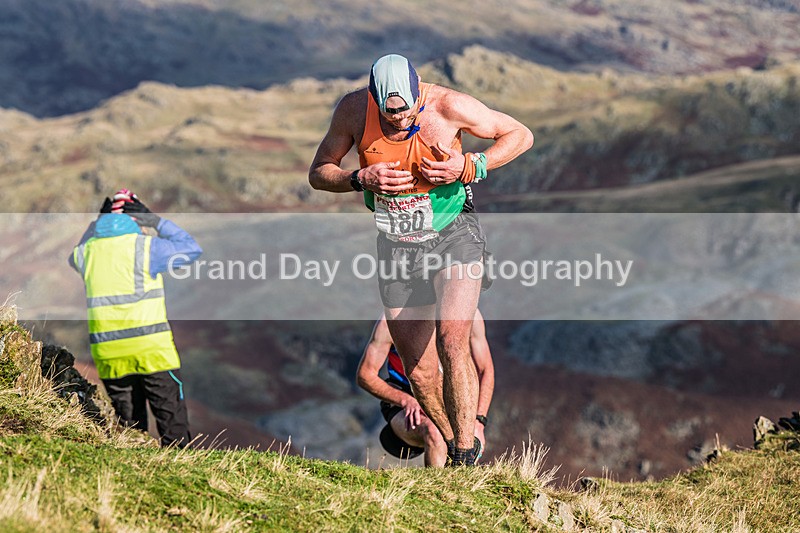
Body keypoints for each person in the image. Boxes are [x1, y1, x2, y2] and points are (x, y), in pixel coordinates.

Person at [309, 53, 532, 464]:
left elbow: (519, 135)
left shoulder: (450, 106)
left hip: (453, 233)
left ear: (418, 94)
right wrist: (358, 179)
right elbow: (319, 172)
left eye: (407, 111)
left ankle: (466, 456)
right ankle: (450, 445)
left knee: (452, 337)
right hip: (397, 244)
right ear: (374, 99)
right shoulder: (353, 110)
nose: (398, 121)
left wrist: (470, 164)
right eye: (389, 115)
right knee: (422, 372)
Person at [69, 189, 202, 447]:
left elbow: (74, 254)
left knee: (130, 435)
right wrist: (154, 220)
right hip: (152, 351)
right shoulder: (146, 247)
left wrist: (97, 224)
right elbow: (191, 249)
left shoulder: (87, 253)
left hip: (109, 353)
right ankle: (181, 475)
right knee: (172, 427)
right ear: (136, 217)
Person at [357, 310, 494, 467]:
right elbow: (365, 375)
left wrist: (479, 421)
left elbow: (485, 370)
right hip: (405, 406)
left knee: (466, 440)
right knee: (435, 431)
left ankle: (459, 483)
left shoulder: (468, 313)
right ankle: (437, 489)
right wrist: (405, 400)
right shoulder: (392, 320)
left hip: (453, 401)